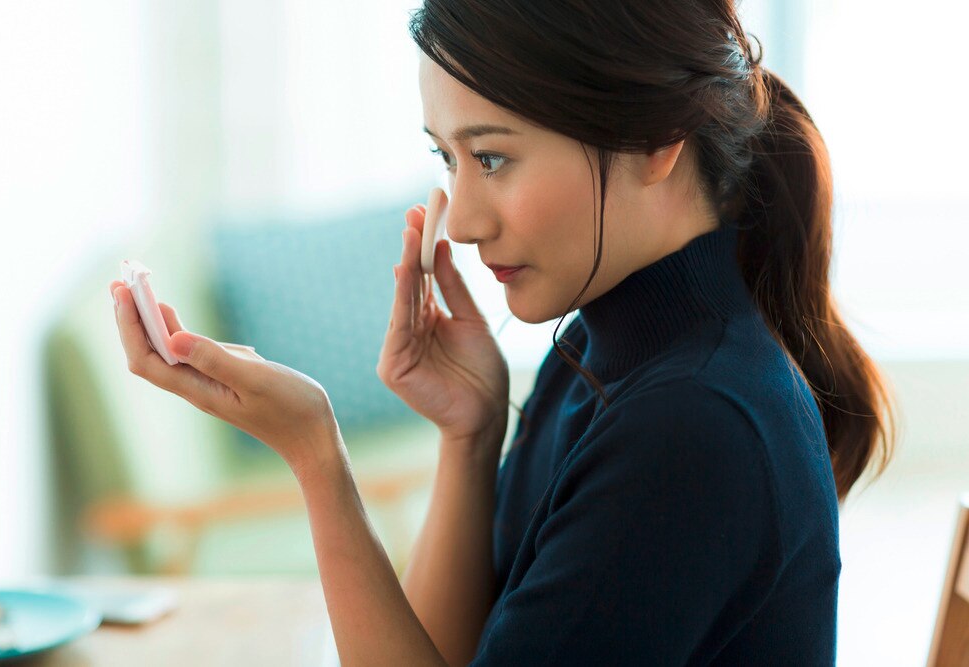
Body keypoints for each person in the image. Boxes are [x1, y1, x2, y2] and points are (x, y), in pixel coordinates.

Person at [110, 0, 894, 664]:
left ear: (655, 139)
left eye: (491, 158)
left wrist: (317, 452)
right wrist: (469, 434)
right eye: (447, 157)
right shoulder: (596, 350)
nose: (465, 219)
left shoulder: (689, 423)